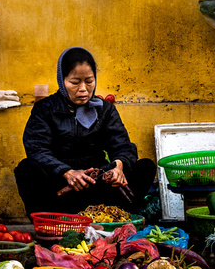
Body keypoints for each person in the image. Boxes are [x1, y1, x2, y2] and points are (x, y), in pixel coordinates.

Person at [14, 47, 157, 217]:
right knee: (27, 169)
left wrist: (118, 167)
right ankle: (52, 220)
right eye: (75, 82)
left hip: (98, 185)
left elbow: (123, 146)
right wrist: (67, 172)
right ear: (62, 81)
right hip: (62, 187)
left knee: (145, 167)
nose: (83, 89)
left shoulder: (105, 110)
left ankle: (111, 215)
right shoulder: (45, 109)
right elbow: (36, 149)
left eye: (89, 81)